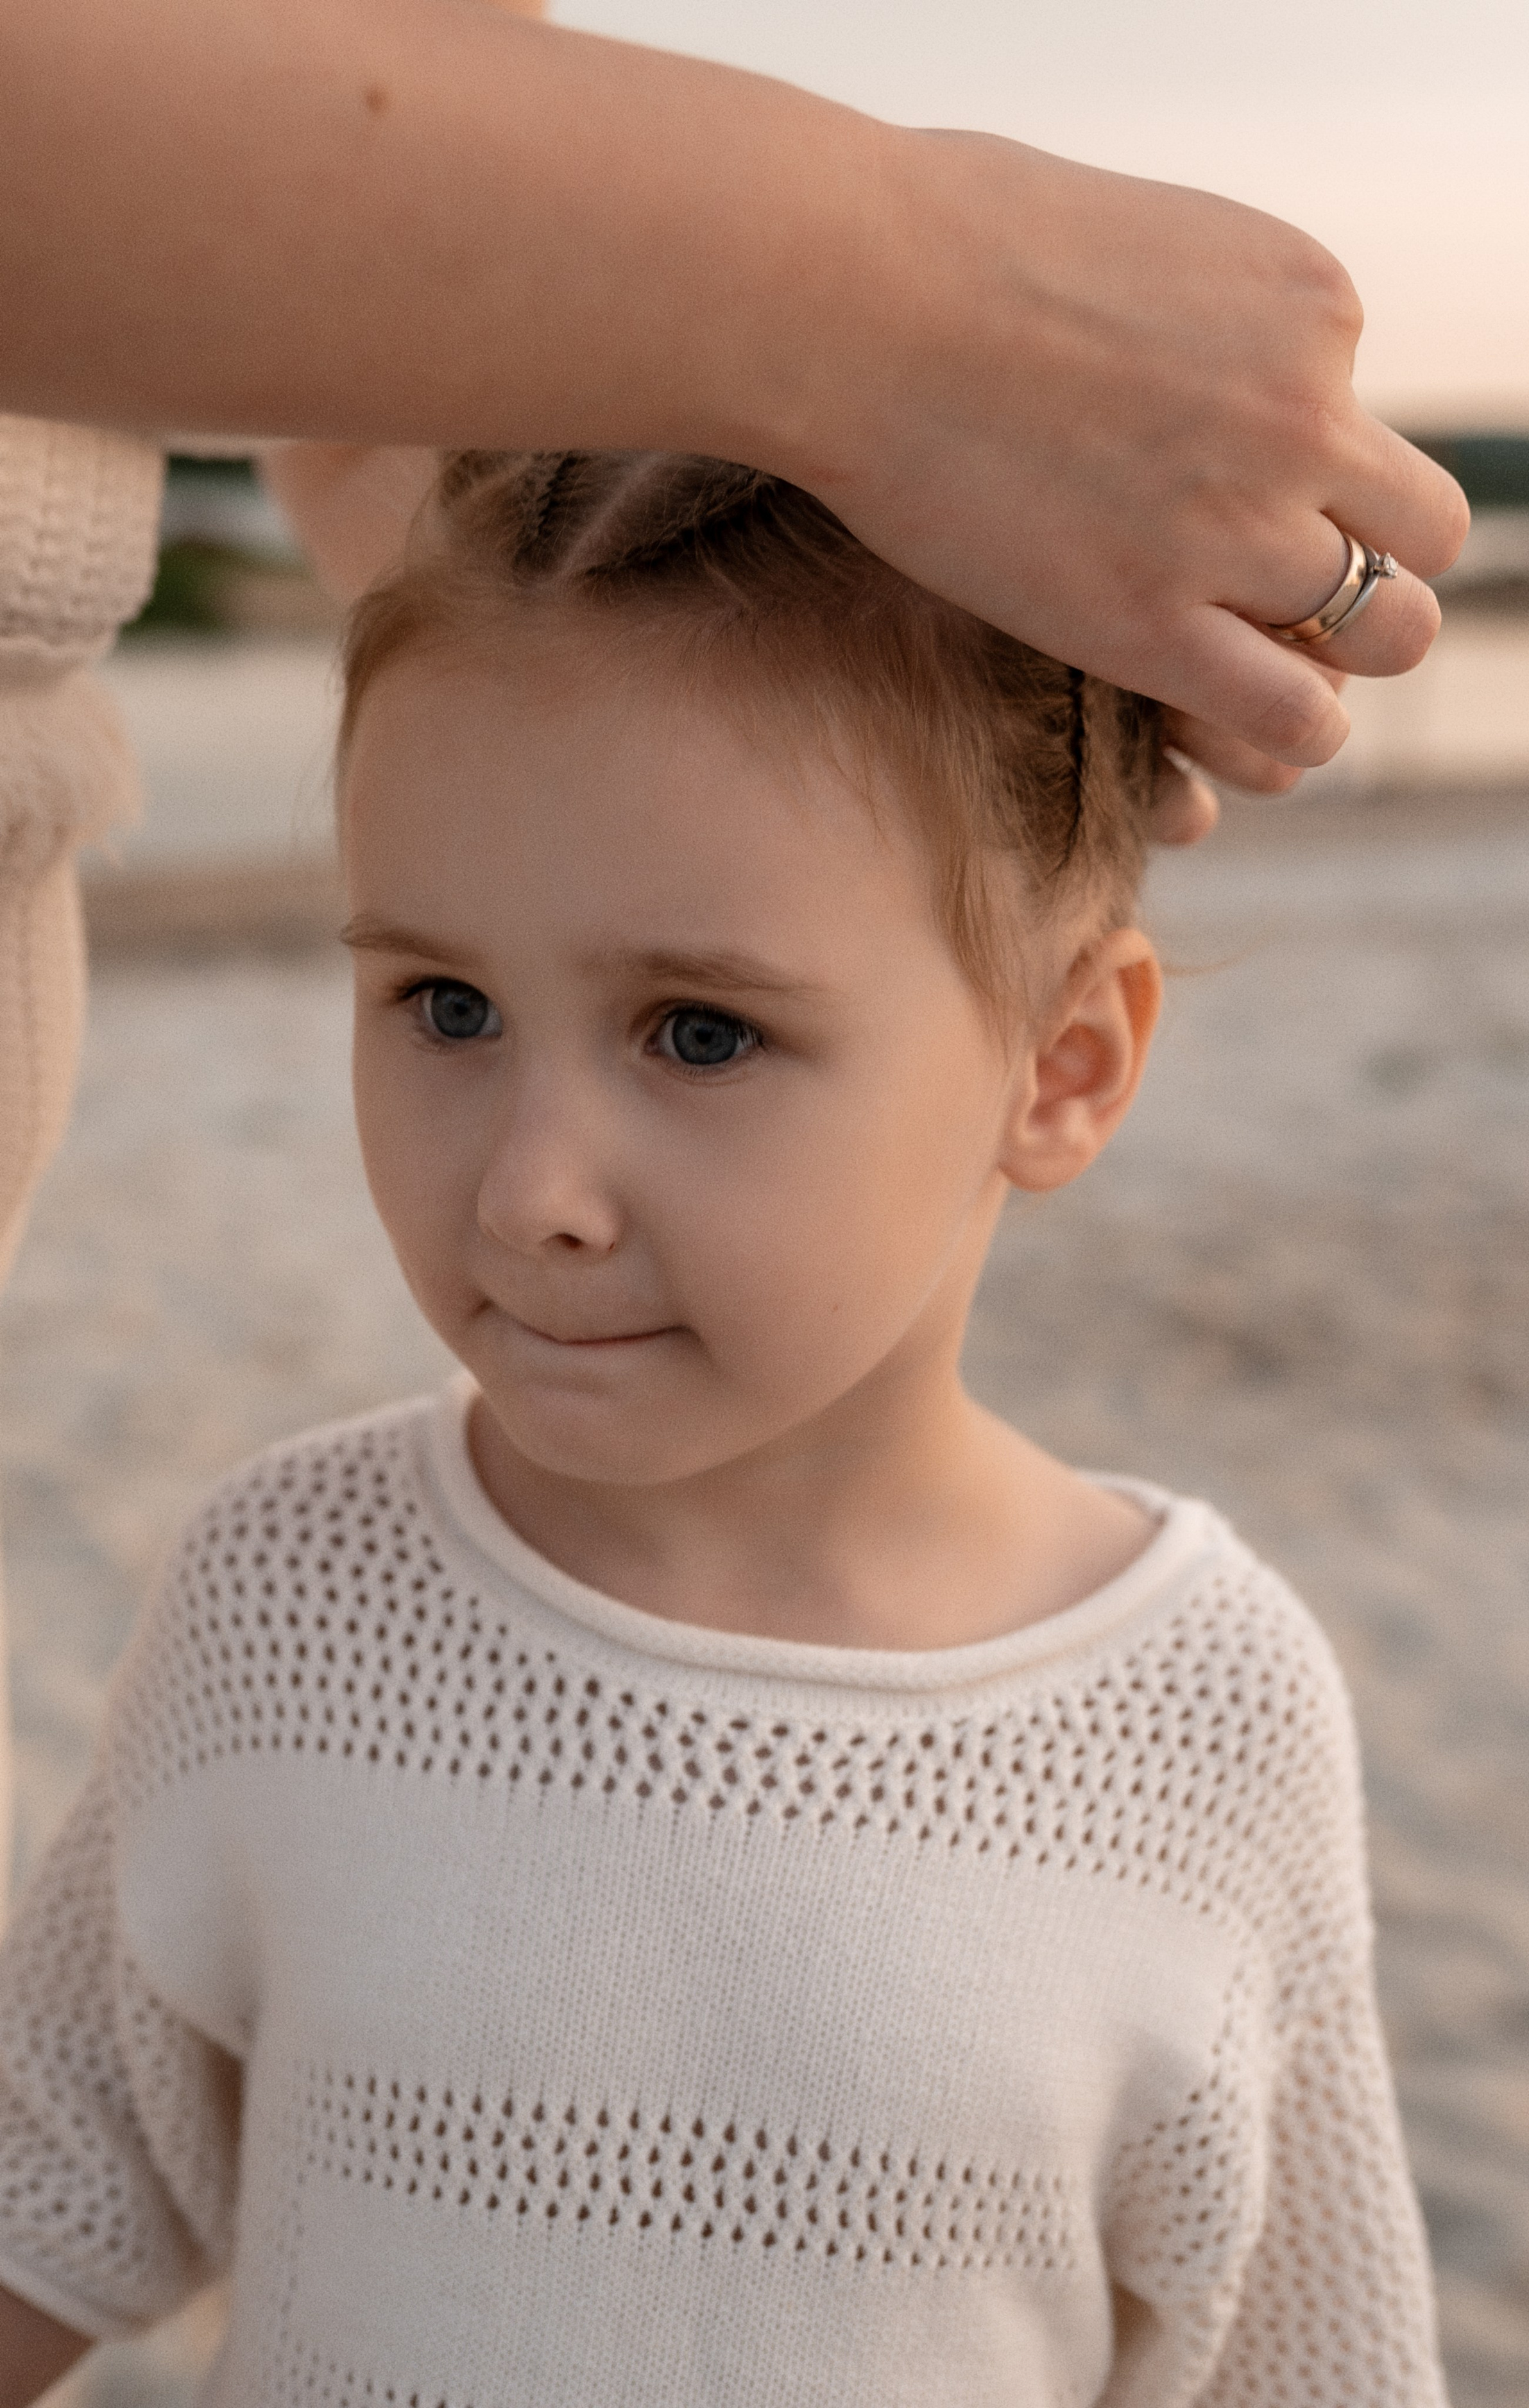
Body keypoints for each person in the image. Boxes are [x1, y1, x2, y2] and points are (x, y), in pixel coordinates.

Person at [0, 449, 1446, 2404]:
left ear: (1061, 1064)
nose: (529, 1191)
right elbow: (48, 2189)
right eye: (442, 1003)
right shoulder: (289, 1601)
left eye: (699, 1032)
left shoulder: (1201, 1714)